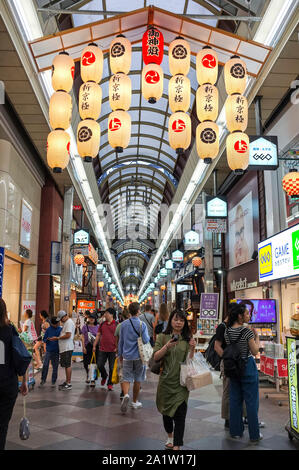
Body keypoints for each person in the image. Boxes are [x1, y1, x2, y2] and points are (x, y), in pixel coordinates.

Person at [153, 310, 196, 450]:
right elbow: (155, 357)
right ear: (170, 320)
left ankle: (177, 445)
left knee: (180, 414)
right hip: (166, 381)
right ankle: (170, 436)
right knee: (166, 413)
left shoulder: (187, 338)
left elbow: (190, 361)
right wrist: (167, 346)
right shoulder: (162, 337)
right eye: (176, 319)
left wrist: (192, 349)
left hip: (181, 382)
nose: (178, 323)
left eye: (182, 320)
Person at [224, 303, 262, 443]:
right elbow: (254, 351)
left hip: (233, 368)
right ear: (240, 316)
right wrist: (256, 337)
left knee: (235, 400)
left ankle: (236, 432)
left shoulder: (227, 331)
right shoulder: (247, 332)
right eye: (247, 313)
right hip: (247, 366)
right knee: (251, 402)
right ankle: (254, 435)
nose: (249, 315)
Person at [0, 299, 29, 450]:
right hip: (7, 384)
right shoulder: (10, 329)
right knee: (2, 424)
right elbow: (21, 356)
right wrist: (24, 381)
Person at [118, 302, 150, 413]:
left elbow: (121, 341)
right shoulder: (142, 325)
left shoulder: (123, 324)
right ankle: (135, 401)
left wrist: (120, 354)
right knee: (138, 379)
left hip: (126, 356)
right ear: (138, 311)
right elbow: (146, 340)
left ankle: (126, 394)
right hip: (139, 357)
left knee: (126, 377)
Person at [48, 310, 75, 391]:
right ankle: (67, 382)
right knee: (66, 365)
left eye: (61, 319)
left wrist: (57, 338)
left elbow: (68, 335)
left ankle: (69, 383)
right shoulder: (67, 323)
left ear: (64, 316)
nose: (60, 321)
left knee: (68, 365)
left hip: (67, 347)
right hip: (65, 347)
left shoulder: (69, 323)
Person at [93, 308, 117, 391]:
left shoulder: (116, 324)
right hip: (102, 348)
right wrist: (94, 345)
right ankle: (104, 376)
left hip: (113, 350)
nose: (105, 315)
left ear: (112, 314)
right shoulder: (102, 324)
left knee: (111, 367)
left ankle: (110, 383)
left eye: (106, 313)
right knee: (99, 365)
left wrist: (118, 348)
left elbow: (120, 337)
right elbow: (98, 335)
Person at [39, 316, 62, 387]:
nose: (58, 323)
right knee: (45, 365)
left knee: (55, 366)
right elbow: (44, 339)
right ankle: (43, 380)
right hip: (49, 350)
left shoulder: (61, 329)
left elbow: (62, 339)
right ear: (53, 324)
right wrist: (47, 339)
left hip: (56, 350)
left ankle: (53, 381)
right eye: (57, 323)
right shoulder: (48, 329)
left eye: (58, 322)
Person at [115, 308, 131, 400]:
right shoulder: (137, 324)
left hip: (123, 353)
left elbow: (116, 340)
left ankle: (123, 392)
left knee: (122, 372)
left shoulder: (120, 326)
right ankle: (137, 386)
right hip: (133, 353)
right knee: (133, 372)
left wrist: (117, 351)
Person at [81, 312, 99, 386]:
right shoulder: (85, 327)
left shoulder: (98, 326)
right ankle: (88, 374)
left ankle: (93, 380)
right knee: (86, 363)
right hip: (87, 346)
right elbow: (82, 337)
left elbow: (100, 336)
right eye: (90, 318)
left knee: (94, 363)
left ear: (95, 319)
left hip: (96, 347)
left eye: (93, 318)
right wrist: (83, 347)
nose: (91, 319)